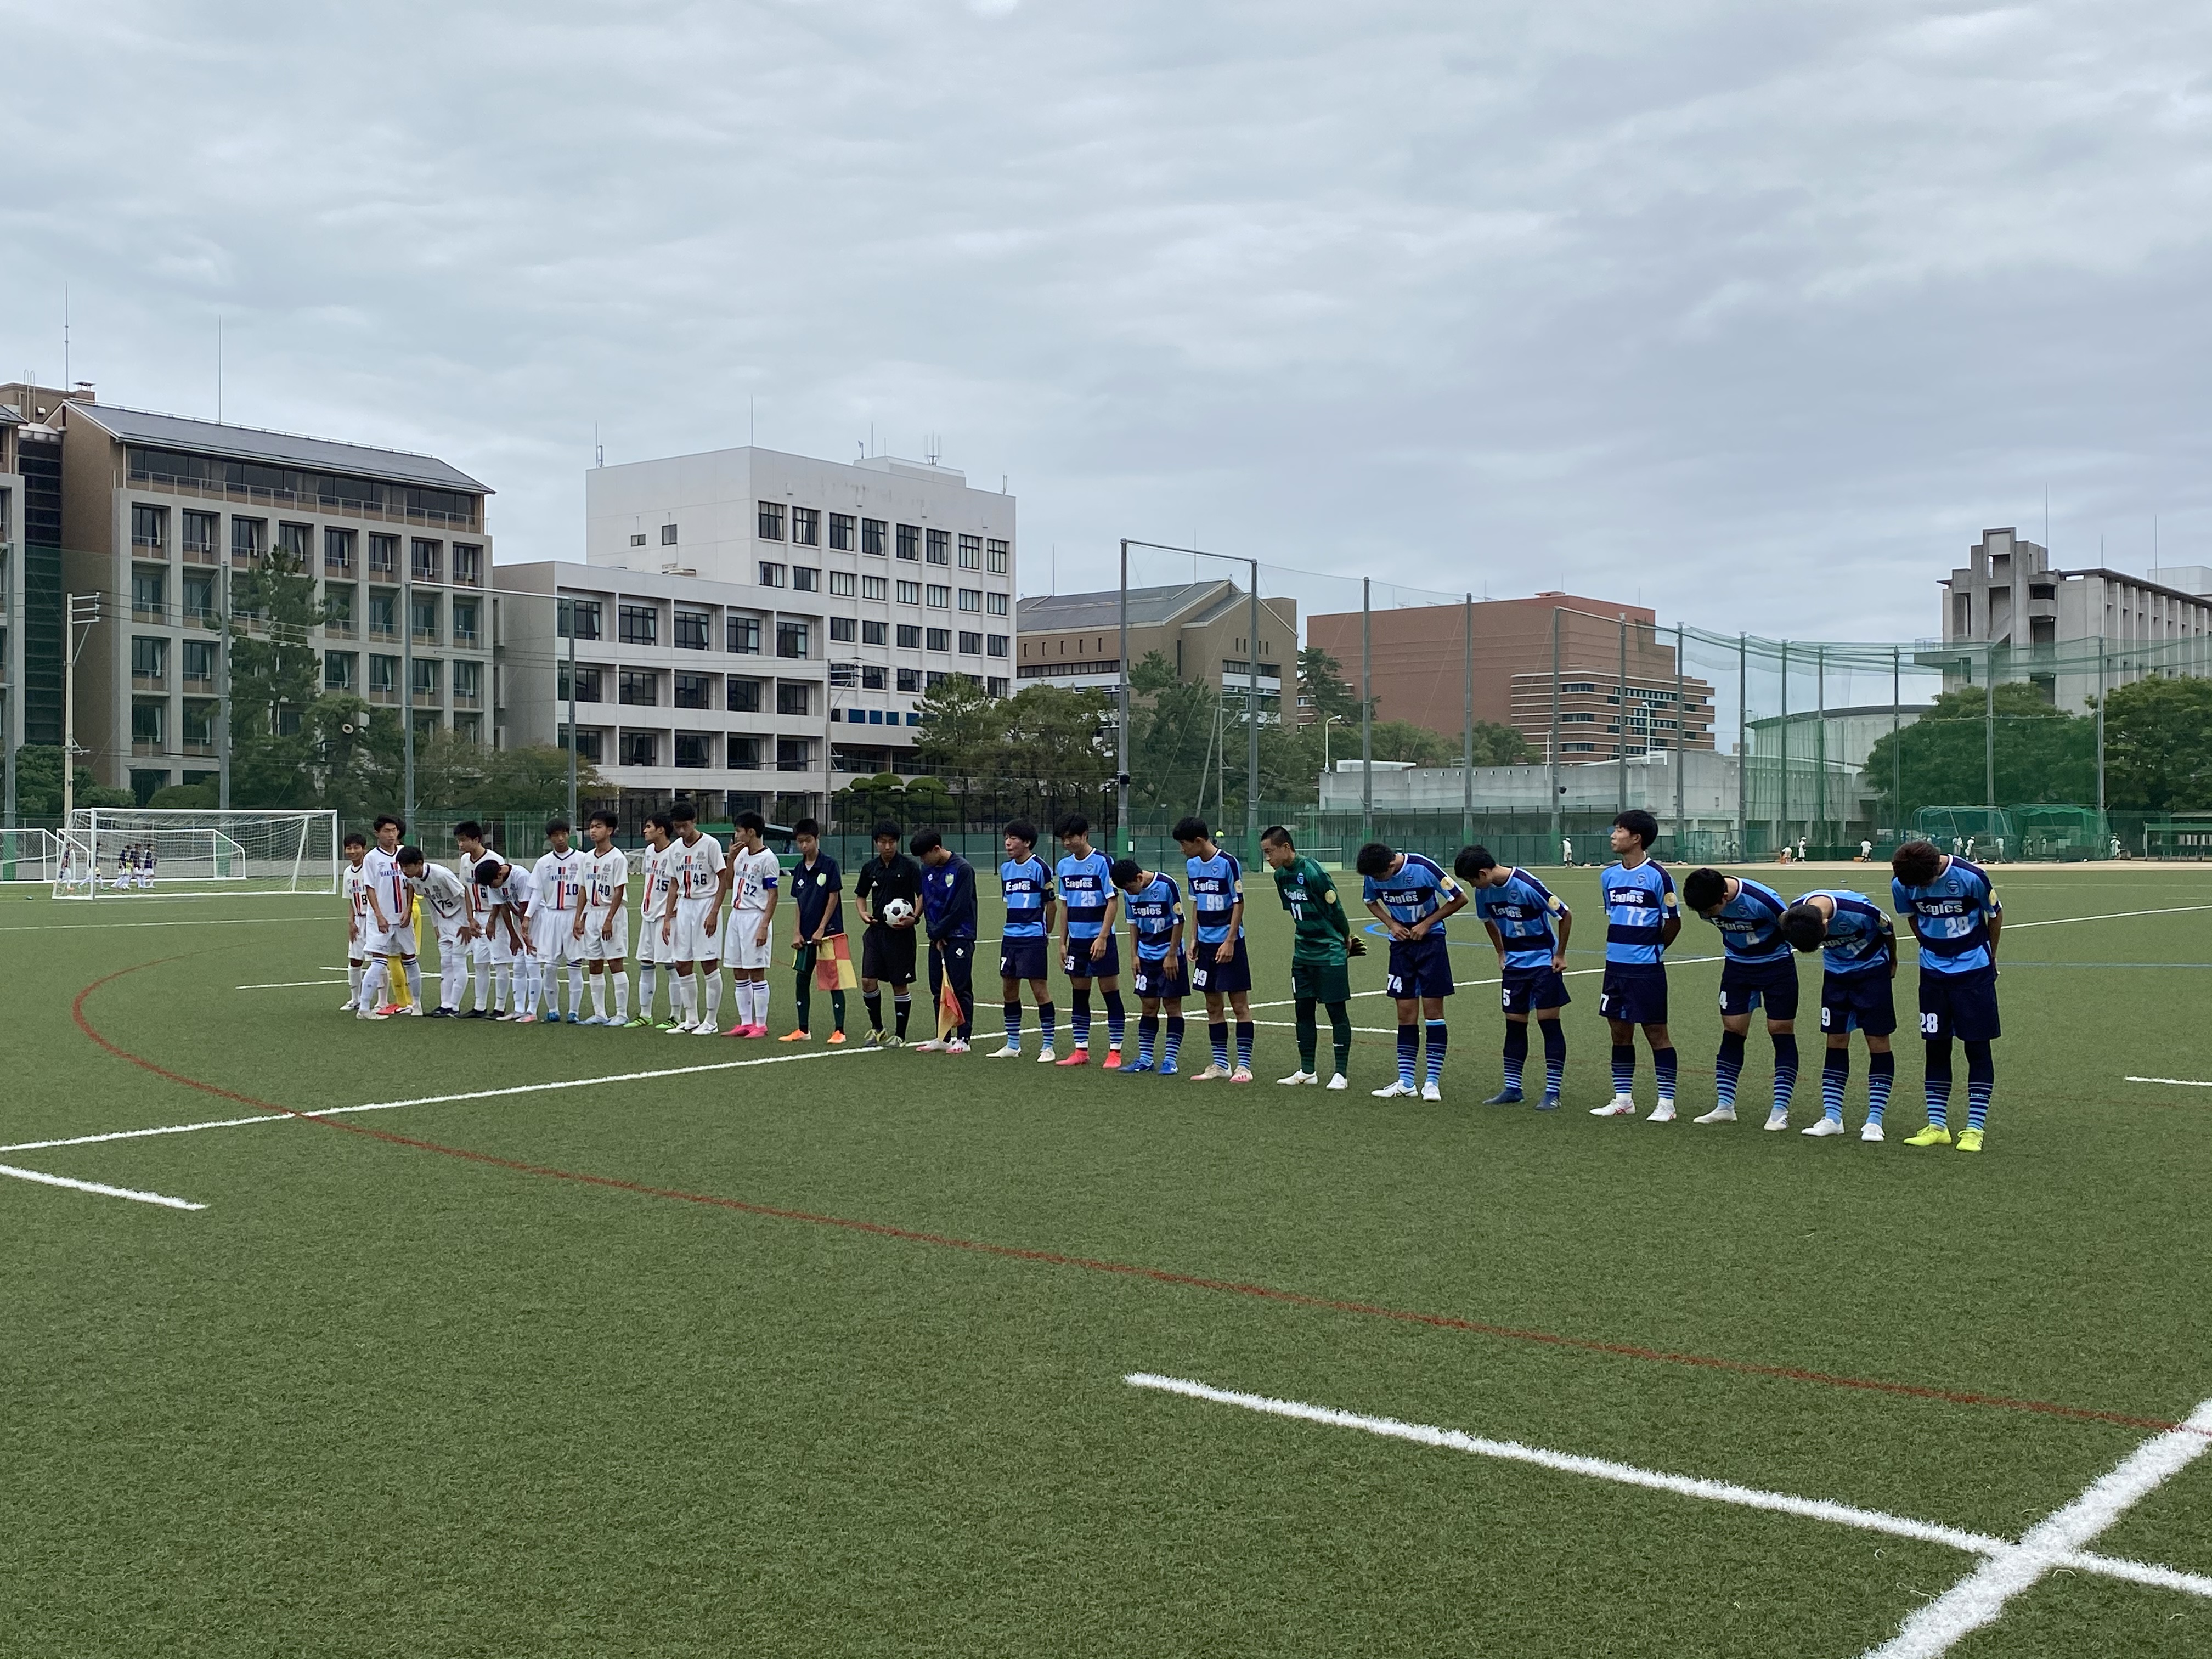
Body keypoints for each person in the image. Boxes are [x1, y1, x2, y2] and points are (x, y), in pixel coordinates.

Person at [1891, 839, 2002, 1152]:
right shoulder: (1902, 882)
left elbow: (1995, 915)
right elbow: (1912, 916)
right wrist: (1930, 944)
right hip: (1932, 974)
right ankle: (1937, 1125)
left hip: (1974, 971)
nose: (1920, 890)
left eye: (1925, 884)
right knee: (1936, 1047)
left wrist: (1991, 957)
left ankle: (1975, 1128)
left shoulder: (1972, 877)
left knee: (1977, 1048)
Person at [1681, 868, 1799, 1130]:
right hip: (1737, 968)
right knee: (1733, 1029)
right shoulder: (1705, 902)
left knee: (1780, 1029)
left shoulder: (1762, 900)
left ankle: (1780, 1109)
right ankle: (1725, 1106)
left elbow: (1791, 929)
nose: (1707, 915)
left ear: (1725, 896)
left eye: (1711, 909)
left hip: (1776, 967)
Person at [1780, 888, 1897, 1141]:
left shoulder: (1861, 911)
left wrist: (1893, 961)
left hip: (1872, 974)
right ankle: (1832, 1117)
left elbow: (1888, 930)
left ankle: (1874, 1121)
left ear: (1826, 923)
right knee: (1835, 1040)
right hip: (1835, 977)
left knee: (1878, 1042)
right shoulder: (1795, 913)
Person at [1460, 847, 1571, 1109]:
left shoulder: (1527, 885)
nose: (1473, 886)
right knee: (1514, 1025)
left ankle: (1552, 1092)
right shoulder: (1483, 892)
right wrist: (1501, 951)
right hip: (1514, 966)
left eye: (1472, 880)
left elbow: (1565, 914)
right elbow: (1488, 921)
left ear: (1483, 873)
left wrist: (1560, 954)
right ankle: (1513, 1088)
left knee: (1549, 1024)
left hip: (1543, 963)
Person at [1357, 839, 1467, 1102]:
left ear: (1390, 865)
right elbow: (1370, 901)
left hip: (1431, 944)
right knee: (1405, 1014)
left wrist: (1427, 924)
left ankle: (1432, 1083)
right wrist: (1392, 924)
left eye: (1378, 876)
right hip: (1401, 947)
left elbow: (1459, 898)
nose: (1376, 881)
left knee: (1433, 1013)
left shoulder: (1422, 867)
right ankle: (1406, 1081)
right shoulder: (1374, 873)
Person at [1590, 809, 1680, 1120]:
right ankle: (1623, 1099)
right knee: (1619, 1032)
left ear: (1637, 838)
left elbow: (1673, 923)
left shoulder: (1658, 876)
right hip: (1615, 968)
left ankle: (1666, 1104)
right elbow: (1613, 915)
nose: (1614, 835)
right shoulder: (1608, 876)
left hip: (1646, 970)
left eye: (1620, 830)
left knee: (1656, 1033)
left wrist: (1652, 950)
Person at [1263, 826, 1358, 1090]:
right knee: (1303, 1011)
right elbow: (1294, 911)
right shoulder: (1280, 877)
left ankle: (1341, 1074)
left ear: (1286, 847)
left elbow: (1335, 908)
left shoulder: (1313, 872)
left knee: (1336, 1012)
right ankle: (1307, 1071)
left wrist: (1346, 937)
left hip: (1329, 951)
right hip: (1302, 953)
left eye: (1270, 852)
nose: (1267, 858)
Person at [1174, 816, 1255, 1082]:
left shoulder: (1228, 863)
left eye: (1184, 844)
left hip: (1229, 943)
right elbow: (1196, 902)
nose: (1182, 850)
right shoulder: (1192, 865)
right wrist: (1194, 937)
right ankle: (1221, 1064)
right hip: (1205, 945)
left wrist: (1230, 941)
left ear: (1199, 841)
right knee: (1212, 1005)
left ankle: (1244, 1066)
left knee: (1239, 1005)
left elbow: (1238, 903)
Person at [1053, 814, 1126, 1068]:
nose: (1067, 843)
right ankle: (1080, 1050)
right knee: (1079, 994)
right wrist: (1062, 943)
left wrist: (1103, 937)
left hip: (1101, 941)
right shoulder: (1064, 866)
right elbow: (1065, 906)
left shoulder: (1103, 862)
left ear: (1085, 835)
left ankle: (1115, 1052)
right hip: (1077, 942)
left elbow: (1113, 902)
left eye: (1071, 837)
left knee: (1110, 992)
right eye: (1063, 839)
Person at [1111, 857, 1189, 1075]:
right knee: (1148, 1006)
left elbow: (1179, 921)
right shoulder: (1129, 893)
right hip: (1145, 956)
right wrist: (1134, 955)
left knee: (1172, 1006)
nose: (1130, 893)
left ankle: (1170, 1060)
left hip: (1169, 956)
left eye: (1130, 888)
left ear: (1139, 878)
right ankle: (1145, 1059)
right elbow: (1133, 924)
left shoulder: (1167, 885)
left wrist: (1172, 955)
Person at [664, 800, 731, 1035]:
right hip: (685, 906)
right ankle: (691, 1019)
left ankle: (711, 1021)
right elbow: (674, 884)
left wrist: (714, 912)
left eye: (685, 826)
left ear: (694, 822)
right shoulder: (675, 849)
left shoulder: (710, 845)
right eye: (677, 827)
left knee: (708, 962)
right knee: (682, 963)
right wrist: (667, 918)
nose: (682, 831)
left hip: (706, 904)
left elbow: (723, 879)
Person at [779, 819, 848, 1042]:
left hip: (829, 933)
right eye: (800, 841)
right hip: (806, 935)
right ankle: (803, 1030)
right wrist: (796, 932)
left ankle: (840, 1031)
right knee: (802, 979)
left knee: (834, 981)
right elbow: (799, 903)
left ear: (817, 839)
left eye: (808, 840)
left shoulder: (829, 865)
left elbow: (833, 897)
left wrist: (821, 929)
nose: (804, 845)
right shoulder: (799, 868)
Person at [994, 820, 1058, 1061]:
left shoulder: (1041, 868)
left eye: (1013, 839)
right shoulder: (1006, 869)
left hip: (1033, 937)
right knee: (1009, 989)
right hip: (1010, 937)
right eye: (1006, 838)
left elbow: (1051, 905)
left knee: (1039, 990)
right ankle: (1013, 1044)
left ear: (1027, 842)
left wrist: (1045, 934)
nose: (1008, 843)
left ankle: (1048, 1047)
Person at [907, 829, 977, 1053]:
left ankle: (964, 1038)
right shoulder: (926, 870)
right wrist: (934, 933)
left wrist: (940, 932)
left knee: (960, 987)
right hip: (937, 937)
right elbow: (928, 902)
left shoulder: (963, 869)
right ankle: (943, 1036)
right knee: (938, 988)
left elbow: (960, 907)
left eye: (924, 855)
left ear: (937, 849)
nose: (922, 861)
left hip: (960, 935)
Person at [853, 820, 919, 1046]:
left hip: (901, 935)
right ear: (876, 843)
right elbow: (861, 895)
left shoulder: (909, 867)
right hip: (876, 932)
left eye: (892, 842)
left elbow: (921, 895)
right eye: (883, 842)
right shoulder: (870, 868)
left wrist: (914, 917)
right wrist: (863, 913)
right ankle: (878, 1029)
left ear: (897, 842)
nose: (888, 846)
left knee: (899, 984)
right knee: (867, 980)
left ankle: (900, 1035)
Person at [723, 811, 783, 1038]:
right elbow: (729, 884)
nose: (736, 835)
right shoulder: (740, 855)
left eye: (739, 831)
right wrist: (730, 859)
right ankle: (745, 1022)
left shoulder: (768, 859)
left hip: (755, 917)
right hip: (737, 916)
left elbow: (773, 895)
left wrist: (764, 926)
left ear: (751, 832)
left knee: (756, 972)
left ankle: (761, 1024)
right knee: (738, 971)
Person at [357, 815, 420, 1019]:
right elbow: (370, 888)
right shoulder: (372, 858)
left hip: (402, 918)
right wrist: (379, 916)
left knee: (410, 959)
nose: (391, 835)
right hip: (381, 919)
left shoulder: (404, 853)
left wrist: (408, 910)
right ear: (377, 833)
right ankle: (364, 1009)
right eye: (387, 831)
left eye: (394, 830)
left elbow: (411, 883)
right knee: (378, 961)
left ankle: (416, 1005)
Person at [574, 810, 630, 1026]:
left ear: (610, 830)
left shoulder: (617, 858)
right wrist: (579, 917)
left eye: (598, 827)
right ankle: (600, 1013)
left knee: (615, 962)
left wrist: (609, 920)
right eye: (591, 827)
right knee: (594, 964)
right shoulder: (587, 858)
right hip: (592, 914)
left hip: (611, 914)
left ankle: (622, 1013)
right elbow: (583, 889)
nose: (593, 831)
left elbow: (619, 890)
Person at [399, 845, 470, 1015]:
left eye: (407, 866)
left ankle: (454, 1007)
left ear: (419, 863)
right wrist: (436, 926)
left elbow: (464, 896)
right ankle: (445, 1005)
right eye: (402, 867)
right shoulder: (414, 880)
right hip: (443, 920)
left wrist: (467, 923)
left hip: (460, 919)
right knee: (445, 962)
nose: (404, 871)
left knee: (458, 961)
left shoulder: (441, 874)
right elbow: (431, 902)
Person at [530, 820, 589, 1024]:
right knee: (550, 966)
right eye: (556, 835)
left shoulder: (582, 859)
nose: (561, 839)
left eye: (564, 834)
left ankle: (574, 1012)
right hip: (552, 916)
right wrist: (527, 917)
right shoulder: (543, 863)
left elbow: (587, 890)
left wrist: (582, 917)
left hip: (573, 915)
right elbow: (537, 893)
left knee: (575, 965)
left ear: (569, 834)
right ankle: (553, 1010)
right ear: (550, 838)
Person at [473, 851, 537, 1019]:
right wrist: (514, 936)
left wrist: (525, 935)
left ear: (500, 874)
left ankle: (532, 1011)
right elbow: (503, 907)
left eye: (492, 883)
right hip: (519, 922)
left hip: (535, 920)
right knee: (518, 967)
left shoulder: (520, 875)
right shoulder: (493, 882)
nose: (492, 887)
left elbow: (525, 906)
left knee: (532, 965)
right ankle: (519, 1010)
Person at [634, 812, 679, 1028]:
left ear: (661, 830)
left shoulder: (675, 852)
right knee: (646, 963)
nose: (645, 831)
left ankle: (676, 1016)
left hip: (666, 917)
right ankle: (645, 1014)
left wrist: (670, 915)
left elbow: (677, 885)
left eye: (649, 826)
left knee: (672, 966)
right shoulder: (650, 851)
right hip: (648, 915)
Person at [454, 822, 498, 1017]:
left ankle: (501, 1007)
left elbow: (499, 892)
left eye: (464, 840)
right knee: (480, 963)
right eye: (459, 840)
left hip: (494, 916)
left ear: (477, 839)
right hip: (478, 917)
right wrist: (470, 919)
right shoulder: (465, 860)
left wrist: (493, 920)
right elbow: (467, 890)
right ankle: (480, 1007)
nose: (461, 845)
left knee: (500, 963)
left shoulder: (494, 859)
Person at [341, 831, 371, 1013]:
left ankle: (381, 1002)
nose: (353, 851)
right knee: (355, 960)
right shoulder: (347, 873)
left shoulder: (370, 868)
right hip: (358, 921)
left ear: (364, 849)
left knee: (378, 960)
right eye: (349, 848)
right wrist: (351, 922)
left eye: (357, 847)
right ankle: (355, 999)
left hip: (373, 919)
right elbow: (351, 900)